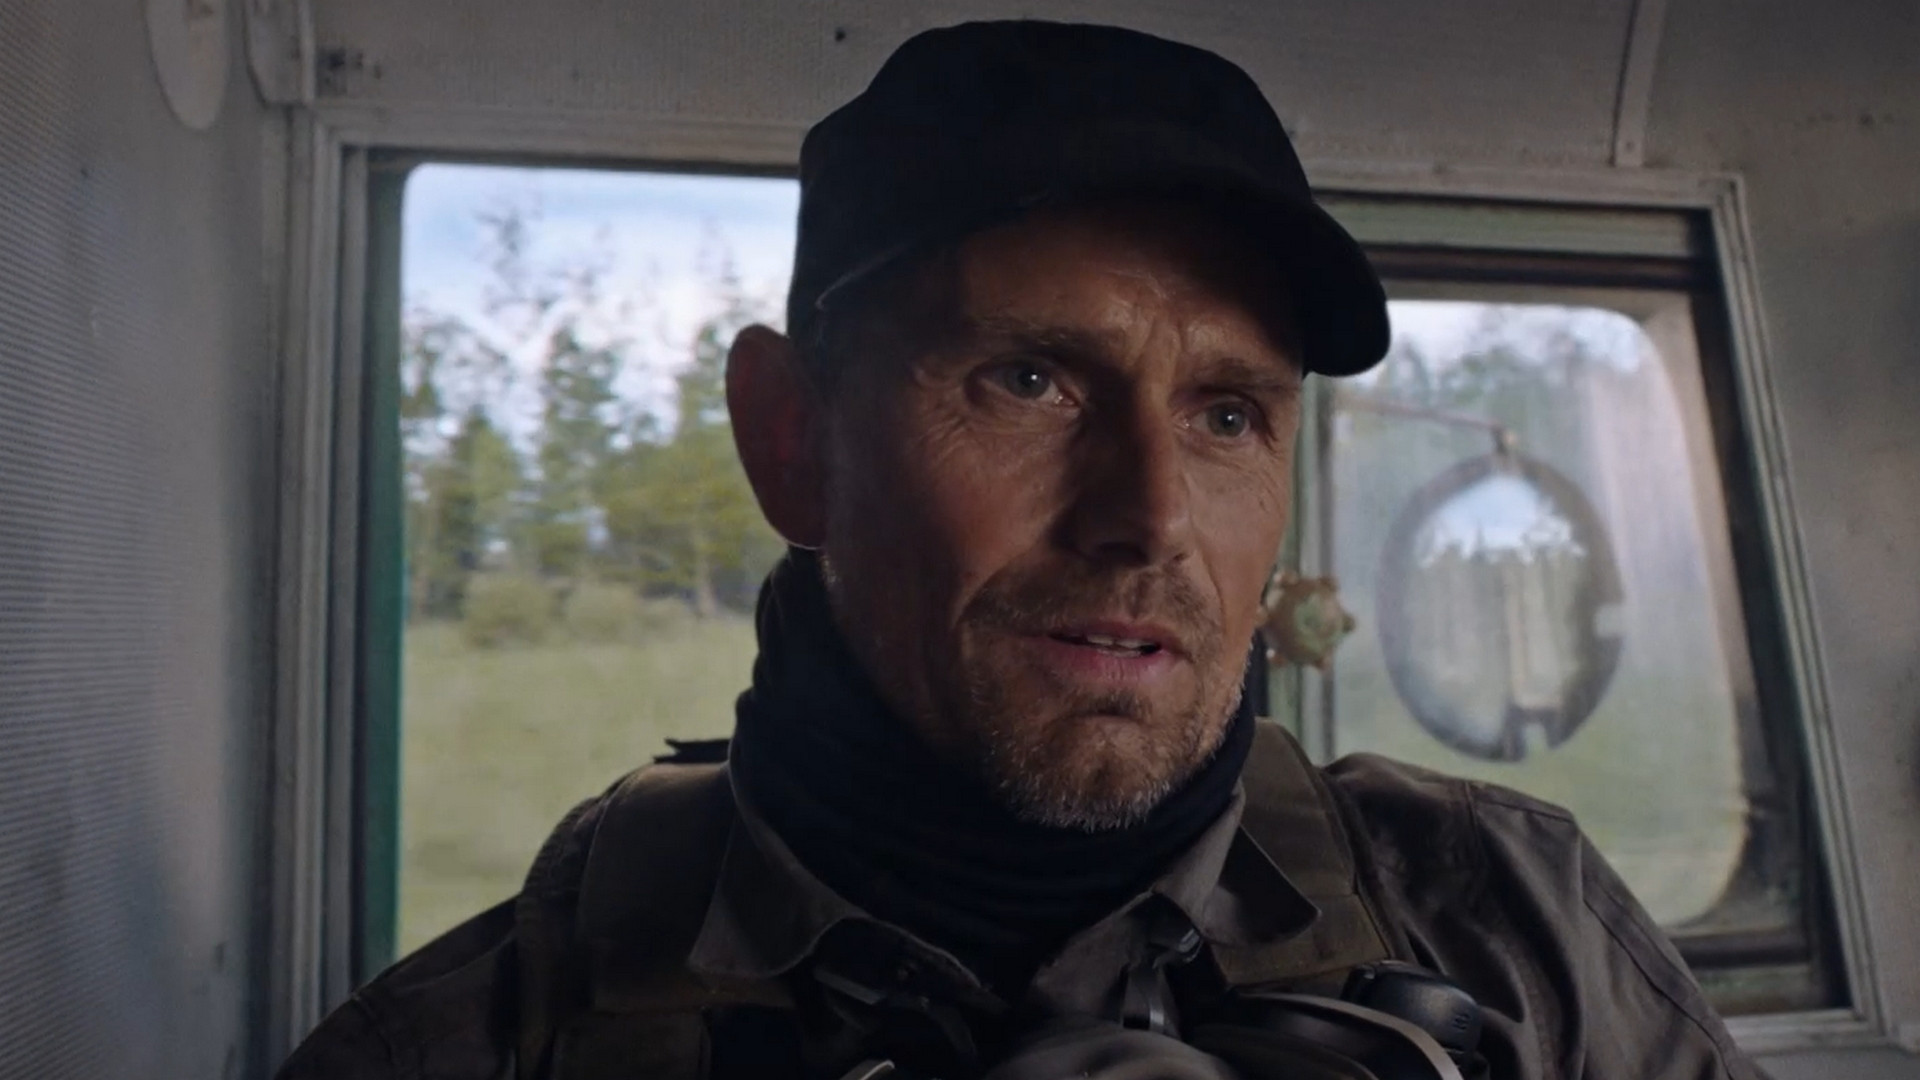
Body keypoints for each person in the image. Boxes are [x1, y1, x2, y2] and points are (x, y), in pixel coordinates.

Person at [277, 20, 1763, 1080]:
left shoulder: (1514, 928)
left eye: (1228, 414)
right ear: (793, 440)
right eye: (1032, 382)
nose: (1152, 517)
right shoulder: (471, 1042)